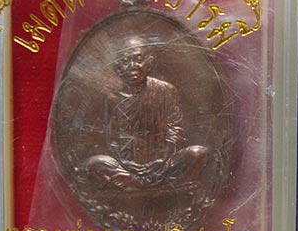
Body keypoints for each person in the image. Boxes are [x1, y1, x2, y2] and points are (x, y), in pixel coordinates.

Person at [79, 36, 208, 191]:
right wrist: (126, 163)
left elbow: (176, 130)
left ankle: (137, 185)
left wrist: (162, 159)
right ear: (117, 67)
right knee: (93, 164)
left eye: (138, 59)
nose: (132, 66)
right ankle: (144, 183)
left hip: (163, 164)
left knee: (198, 153)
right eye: (125, 61)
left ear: (149, 63)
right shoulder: (113, 99)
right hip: (127, 167)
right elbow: (113, 139)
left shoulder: (165, 90)